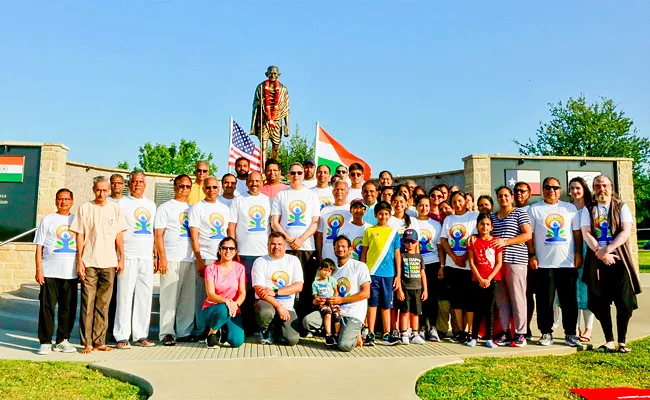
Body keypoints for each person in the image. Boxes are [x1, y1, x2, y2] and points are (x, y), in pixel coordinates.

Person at [581, 175, 641, 353]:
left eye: (604, 185)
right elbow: (586, 233)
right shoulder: (588, 209)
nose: (602, 189)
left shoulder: (621, 207)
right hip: (597, 261)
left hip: (619, 259)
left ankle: (622, 341)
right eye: (597, 186)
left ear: (611, 187)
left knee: (623, 301)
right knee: (600, 301)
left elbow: (625, 231)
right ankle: (609, 340)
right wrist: (600, 252)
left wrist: (608, 250)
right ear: (594, 189)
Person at [70, 176, 127, 354]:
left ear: (109, 190)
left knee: (104, 304)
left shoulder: (115, 209)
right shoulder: (85, 208)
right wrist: (79, 260)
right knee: (88, 302)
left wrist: (121, 257)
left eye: (104, 190)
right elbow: (79, 235)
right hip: (89, 261)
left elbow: (119, 235)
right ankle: (87, 342)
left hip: (109, 262)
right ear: (93, 190)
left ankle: (99, 341)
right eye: (98, 190)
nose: (101, 193)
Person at [529, 177, 582, 347]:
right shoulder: (534, 209)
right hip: (544, 264)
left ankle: (571, 333)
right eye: (548, 187)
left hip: (566, 264)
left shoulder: (569, 208)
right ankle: (546, 333)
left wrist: (578, 253)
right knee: (544, 301)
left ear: (560, 190)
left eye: (555, 187)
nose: (552, 190)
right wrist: (532, 255)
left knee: (569, 301)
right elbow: (529, 236)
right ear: (543, 189)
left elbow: (577, 234)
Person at [303, 235, 372, 352]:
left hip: (352, 313)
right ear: (334, 249)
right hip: (332, 311)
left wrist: (341, 300)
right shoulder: (330, 270)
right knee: (307, 322)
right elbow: (317, 294)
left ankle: (354, 332)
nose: (340, 249)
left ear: (350, 249)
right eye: (337, 246)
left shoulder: (359, 266)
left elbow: (366, 293)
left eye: (344, 246)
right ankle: (336, 333)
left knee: (344, 345)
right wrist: (317, 300)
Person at [270, 162, 321, 317]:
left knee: (306, 286)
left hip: (306, 247)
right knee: (285, 284)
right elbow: (274, 222)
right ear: (288, 175)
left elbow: (315, 222)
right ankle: (283, 319)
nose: (296, 176)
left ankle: (303, 321)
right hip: (287, 248)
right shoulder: (281, 195)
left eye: (299, 173)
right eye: (293, 173)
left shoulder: (311, 195)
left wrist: (301, 239)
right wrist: (290, 238)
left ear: (303, 174)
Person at [114, 171, 157, 348]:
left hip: (146, 256)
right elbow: (117, 231)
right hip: (128, 256)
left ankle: (141, 334)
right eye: (134, 181)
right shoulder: (121, 204)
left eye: (140, 182)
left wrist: (155, 255)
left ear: (145, 185)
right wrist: (121, 256)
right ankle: (121, 335)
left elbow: (154, 232)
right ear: (129, 184)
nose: (137, 184)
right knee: (124, 295)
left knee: (144, 297)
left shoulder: (151, 205)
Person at [226, 171, 271, 335]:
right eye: (251, 181)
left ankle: (263, 327)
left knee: (261, 292)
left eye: (257, 181)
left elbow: (272, 226)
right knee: (244, 292)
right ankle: (246, 327)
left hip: (263, 254)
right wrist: (233, 250)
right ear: (246, 183)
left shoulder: (268, 201)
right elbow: (231, 226)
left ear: (262, 182)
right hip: (243, 253)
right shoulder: (239, 200)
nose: (254, 184)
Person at [34, 188, 78, 355]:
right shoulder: (48, 220)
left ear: (72, 201)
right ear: (55, 200)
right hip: (49, 272)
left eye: (66, 199)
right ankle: (45, 341)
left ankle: (62, 340)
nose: (63, 202)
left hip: (70, 273)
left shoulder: (76, 220)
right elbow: (39, 247)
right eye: (60, 199)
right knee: (47, 308)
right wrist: (39, 269)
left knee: (68, 308)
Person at [188, 176, 231, 340]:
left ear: (218, 188)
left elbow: (228, 234)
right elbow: (194, 236)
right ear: (203, 189)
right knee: (202, 295)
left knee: (222, 293)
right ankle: (200, 329)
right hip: (205, 256)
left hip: (222, 258)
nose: (212, 190)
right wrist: (198, 258)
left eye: (214, 187)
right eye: (208, 187)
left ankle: (217, 328)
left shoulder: (225, 208)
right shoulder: (197, 208)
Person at [154, 174, 195, 346]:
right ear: (175, 186)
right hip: (171, 257)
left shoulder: (193, 208)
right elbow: (158, 234)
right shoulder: (165, 207)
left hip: (190, 258)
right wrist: (162, 257)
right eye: (180, 185)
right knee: (169, 298)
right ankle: (166, 333)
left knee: (187, 299)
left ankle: (184, 331)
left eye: (187, 186)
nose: (183, 189)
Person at [491, 186, 532, 348]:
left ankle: (520, 333)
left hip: (516, 260)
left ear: (512, 196)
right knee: (501, 298)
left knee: (518, 297)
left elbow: (527, 234)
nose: (503, 198)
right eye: (500, 196)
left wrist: (506, 242)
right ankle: (506, 331)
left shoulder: (519, 213)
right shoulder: (494, 217)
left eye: (506, 195)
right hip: (497, 263)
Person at [360, 201, 401, 346]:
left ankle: (386, 334)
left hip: (389, 274)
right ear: (376, 215)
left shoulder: (394, 232)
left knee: (386, 305)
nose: (383, 216)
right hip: (372, 273)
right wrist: (363, 273)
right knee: (372, 304)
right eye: (380, 214)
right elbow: (363, 253)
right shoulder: (369, 231)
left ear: (390, 215)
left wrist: (398, 276)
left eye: (386, 213)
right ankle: (370, 333)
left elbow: (397, 255)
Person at [440, 191, 478, 343]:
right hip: (452, 265)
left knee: (469, 300)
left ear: (465, 201)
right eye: (454, 201)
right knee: (457, 300)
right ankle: (460, 331)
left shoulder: (473, 217)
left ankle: (469, 330)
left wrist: (464, 257)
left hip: (469, 265)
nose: (458, 204)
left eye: (460, 201)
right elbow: (443, 240)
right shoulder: (449, 219)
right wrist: (454, 257)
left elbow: (474, 237)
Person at [252, 232, 303, 346]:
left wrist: (275, 292)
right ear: (268, 245)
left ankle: (278, 329)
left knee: (292, 340)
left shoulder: (293, 260)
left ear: (285, 246)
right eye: (273, 244)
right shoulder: (260, 262)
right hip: (267, 303)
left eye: (280, 244)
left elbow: (298, 286)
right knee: (265, 312)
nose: (276, 247)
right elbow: (259, 291)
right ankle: (265, 330)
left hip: (287, 306)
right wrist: (279, 306)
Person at [466, 213, 502, 348]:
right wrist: (480, 279)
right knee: (477, 309)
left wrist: (488, 278)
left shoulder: (496, 242)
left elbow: (499, 263)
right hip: (477, 279)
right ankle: (474, 337)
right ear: (477, 226)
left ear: (492, 227)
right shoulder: (473, 242)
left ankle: (489, 338)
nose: (484, 227)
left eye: (487, 224)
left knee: (489, 309)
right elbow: (471, 262)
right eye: (482, 224)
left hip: (492, 280)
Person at [202, 237, 246, 349]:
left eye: (231, 248)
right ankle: (211, 334)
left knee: (237, 341)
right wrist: (227, 302)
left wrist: (235, 305)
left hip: (233, 309)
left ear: (235, 251)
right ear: (219, 250)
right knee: (223, 308)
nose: (228, 251)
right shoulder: (210, 269)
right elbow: (210, 294)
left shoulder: (240, 268)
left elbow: (242, 293)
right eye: (224, 248)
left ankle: (222, 330)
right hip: (213, 308)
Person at [569, 177, 594, 342]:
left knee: (587, 290)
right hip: (570, 252)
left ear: (584, 189)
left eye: (578, 188)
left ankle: (588, 328)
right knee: (572, 291)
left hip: (588, 252)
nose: (575, 191)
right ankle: (575, 327)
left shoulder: (591, 208)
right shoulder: (568, 208)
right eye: (572, 188)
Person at [414, 195, 442, 342]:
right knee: (419, 297)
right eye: (421, 205)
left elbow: (440, 247)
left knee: (432, 297)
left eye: (426, 205)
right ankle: (421, 327)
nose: (423, 208)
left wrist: (442, 266)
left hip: (433, 263)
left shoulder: (435, 224)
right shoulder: (412, 223)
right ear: (416, 206)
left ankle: (433, 327)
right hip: (415, 265)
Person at [250, 65, 290, 162]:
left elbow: (286, 108)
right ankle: (263, 170)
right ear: (266, 74)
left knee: (276, 146)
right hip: (264, 120)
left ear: (278, 75)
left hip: (277, 121)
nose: (272, 75)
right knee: (263, 146)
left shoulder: (283, 89)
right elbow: (255, 102)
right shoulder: (260, 87)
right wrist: (259, 103)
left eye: (275, 73)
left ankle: (272, 164)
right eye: (270, 73)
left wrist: (287, 125)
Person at [395, 229, 427, 345]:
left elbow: (422, 274)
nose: (410, 244)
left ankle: (415, 333)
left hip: (417, 289)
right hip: (405, 288)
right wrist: (399, 290)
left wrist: (425, 290)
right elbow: (398, 274)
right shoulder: (402, 256)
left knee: (416, 312)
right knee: (404, 312)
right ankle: (404, 333)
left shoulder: (419, 257)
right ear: (403, 242)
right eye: (407, 242)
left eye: (412, 242)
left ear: (417, 242)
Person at [513, 181, 536, 340]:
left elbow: (531, 235)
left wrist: (532, 254)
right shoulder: (508, 211)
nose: (518, 194)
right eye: (516, 191)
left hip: (531, 258)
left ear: (529, 194)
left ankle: (526, 327)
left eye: (522, 191)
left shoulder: (533, 211)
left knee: (527, 295)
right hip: (513, 260)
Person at [316, 181, 351, 262]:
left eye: (342, 189)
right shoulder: (325, 210)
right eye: (336, 189)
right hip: (327, 256)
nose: (339, 192)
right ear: (332, 191)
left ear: (347, 192)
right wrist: (320, 256)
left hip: (345, 257)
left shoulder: (350, 210)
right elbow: (319, 235)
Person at [311, 258, 340, 345]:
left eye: (329, 271)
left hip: (331, 301)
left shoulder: (331, 280)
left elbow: (336, 291)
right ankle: (328, 335)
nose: (326, 273)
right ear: (320, 269)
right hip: (323, 303)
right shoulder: (315, 283)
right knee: (328, 313)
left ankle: (337, 334)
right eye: (324, 270)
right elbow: (315, 296)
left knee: (337, 314)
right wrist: (319, 299)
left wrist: (334, 298)